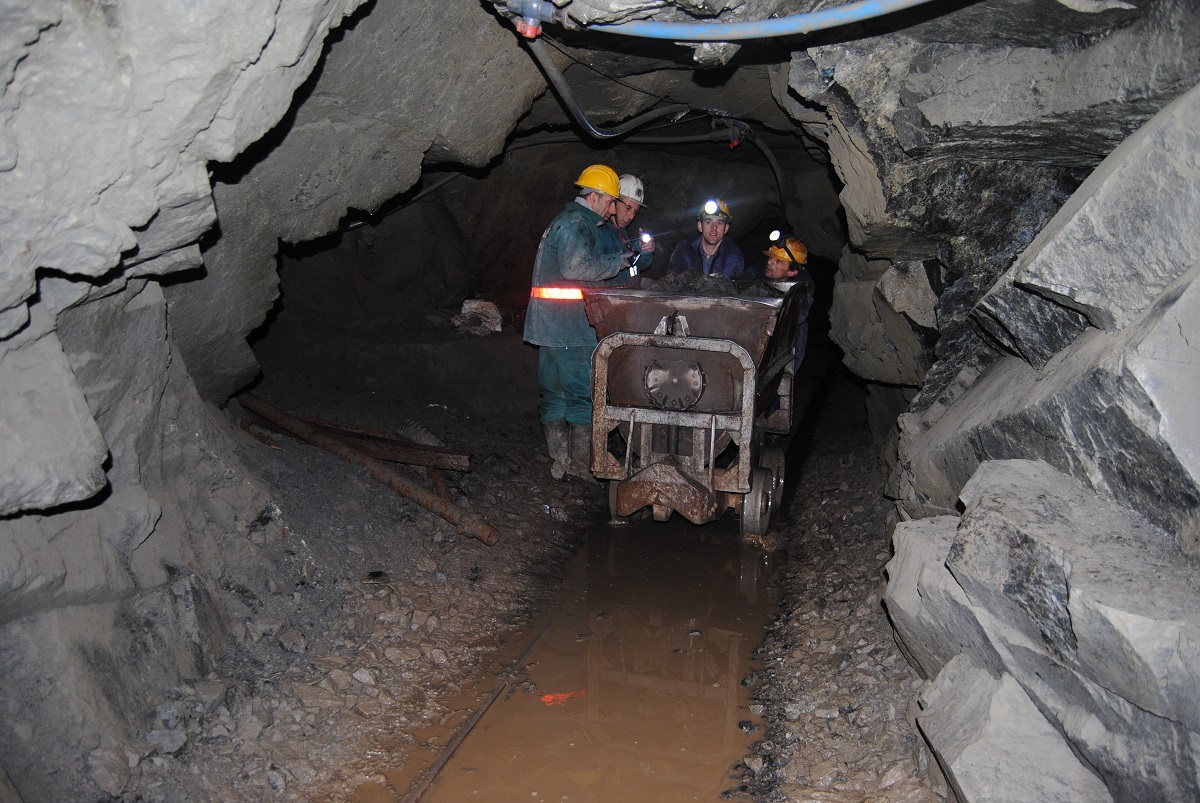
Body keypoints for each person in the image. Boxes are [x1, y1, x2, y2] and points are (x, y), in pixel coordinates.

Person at [524, 164, 633, 482]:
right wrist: (616, 262)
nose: (611, 209)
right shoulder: (577, 223)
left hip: (549, 325)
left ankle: (559, 459)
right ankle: (579, 466)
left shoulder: (563, 220)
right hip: (571, 326)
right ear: (595, 197)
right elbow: (574, 268)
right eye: (610, 201)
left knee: (554, 393)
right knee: (580, 396)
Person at [762, 234, 816, 373]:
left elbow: (799, 315)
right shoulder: (756, 274)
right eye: (771, 257)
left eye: (778, 261)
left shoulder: (802, 293)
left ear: (792, 272)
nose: (770, 262)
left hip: (784, 352)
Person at [668, 198, 744, 277]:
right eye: (708, 222)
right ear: (700, 226)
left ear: (726, 228)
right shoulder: (683, 250)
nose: (714, 228)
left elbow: (730, 283)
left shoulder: (733, 256)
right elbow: (671, 280)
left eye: (719, 223)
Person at [610, 174, 654, 279]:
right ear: (613, 201)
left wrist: (644, 250)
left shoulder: (621, 232)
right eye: (628, 208)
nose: (631, 216)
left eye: (635, 212)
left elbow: (633, 266)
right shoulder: (600, 230)